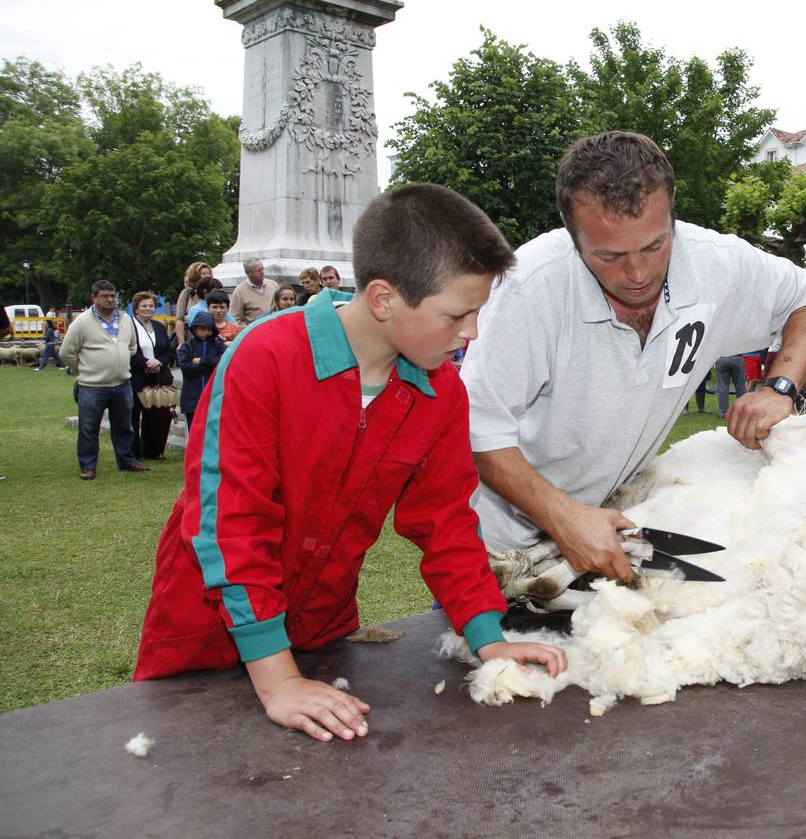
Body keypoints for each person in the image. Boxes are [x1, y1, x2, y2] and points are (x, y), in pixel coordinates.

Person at [134, 183, 566, 743]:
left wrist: (489, 637)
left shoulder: (442, 393)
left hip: (321, 632)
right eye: (457, 314)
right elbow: (230, 526)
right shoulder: (264, 358)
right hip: (205, 629)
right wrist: (277, 678)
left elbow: (447, 522)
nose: (472, 333)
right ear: (384, 298)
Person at [462, 131, 806, 582]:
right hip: (501, 549)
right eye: (608, 255)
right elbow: (478, 427)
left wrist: (781, 387)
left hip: (611, 527)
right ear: (570, 231)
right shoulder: (531, 286)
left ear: (673, 209)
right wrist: (565, 519)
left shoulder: (715, 261)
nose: (638, 274)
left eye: (655, 245)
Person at [59, 280, 149, 479]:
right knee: (88, 427)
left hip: (122, 383)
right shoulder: (82, 322)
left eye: (112, 295)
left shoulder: (126, 319)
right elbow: (66, 352)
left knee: (124, 426)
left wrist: (120, 359)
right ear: (94, 297)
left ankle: (126, 459)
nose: (110, 299)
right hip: (92, 385)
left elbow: (132, 347)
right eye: (105, 296)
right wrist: (82, 369)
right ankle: (88, 465)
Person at [129, 292, 176, 460]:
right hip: (137, 376)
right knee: (134, 415)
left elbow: (169, 351)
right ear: (136, 308)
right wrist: (146, 363)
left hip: (158, 377)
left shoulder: (159, 326)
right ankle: (133, 452)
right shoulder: (130, 326)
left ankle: (153, 450)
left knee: (156, 414)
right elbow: (129, 351)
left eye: (151, 306)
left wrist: (159, 362)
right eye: (144, 306)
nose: (148, 309)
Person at [177, 310, 224, 430]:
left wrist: (203, 361)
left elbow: (223, 360)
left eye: (209, 329)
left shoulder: (218, 345)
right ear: (195, 328)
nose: (206, 332)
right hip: (191, 398)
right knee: (194, 431)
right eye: (202, 329)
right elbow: (185, 366)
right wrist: (209, 367)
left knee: (212, 430)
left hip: (213, 397)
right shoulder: (187, 347)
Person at [228, 257, 279, 325]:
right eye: (258, 270)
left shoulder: (274, 285)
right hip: (254, 332)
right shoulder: (239, 292)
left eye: (262, 268)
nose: (262, 272)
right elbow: (235, 319)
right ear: (248, 272)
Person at [174, 261, 213, 345]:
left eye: (208, 273)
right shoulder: (187, 293)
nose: (207, 276)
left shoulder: (213, 293)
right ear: (195, 276)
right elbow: (179, 320)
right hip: (192, 338)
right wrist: (181, 343)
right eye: (203, 273)